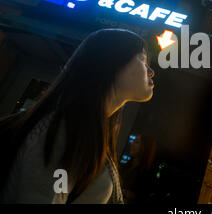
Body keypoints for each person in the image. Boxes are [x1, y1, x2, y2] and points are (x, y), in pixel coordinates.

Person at [0, 28, 155, 203]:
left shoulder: (82, 131)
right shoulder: (64, 133)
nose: (151, 71)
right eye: (142, 59)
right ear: (111, 63)